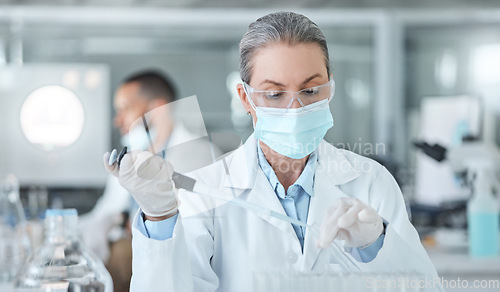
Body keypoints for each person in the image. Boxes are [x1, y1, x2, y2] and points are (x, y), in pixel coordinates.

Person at [105, 12, 441, 292]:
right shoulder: (207, 191)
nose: (295, 108)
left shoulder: (370, 183)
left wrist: (377, 246)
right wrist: (159, 218)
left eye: (310, 90)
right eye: (274, 94)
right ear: (245, 98)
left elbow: (424, 288)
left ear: (330, 88)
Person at [82, 70, 217, 291]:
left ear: (157, 110)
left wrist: (123, 221)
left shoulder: (201, 156)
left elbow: (196, 233)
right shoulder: (132, 156)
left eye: (125, 109)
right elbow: (101, 214)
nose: (118, 120)